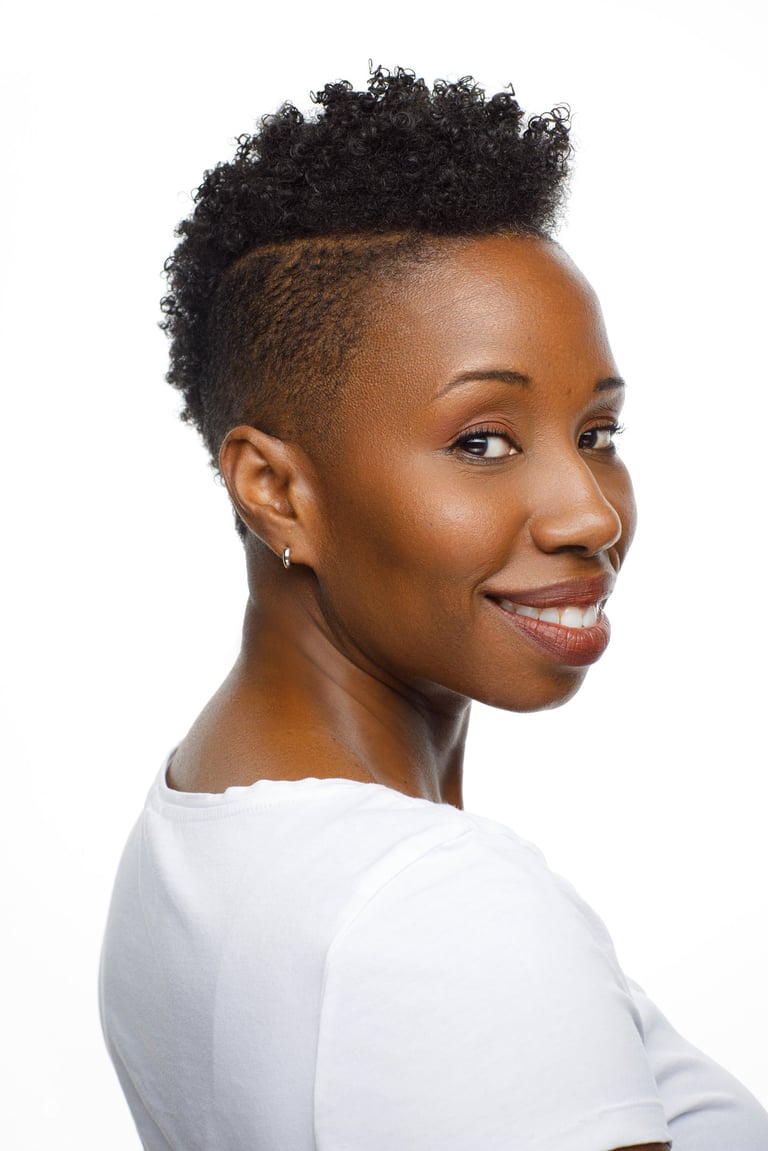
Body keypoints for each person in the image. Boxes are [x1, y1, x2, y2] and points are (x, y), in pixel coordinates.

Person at [99, 67, 768, 1150]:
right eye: (482, 441)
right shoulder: (438, 905)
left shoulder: (188, 829)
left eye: (597, 434)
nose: (591, 512)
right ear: (275, 489)